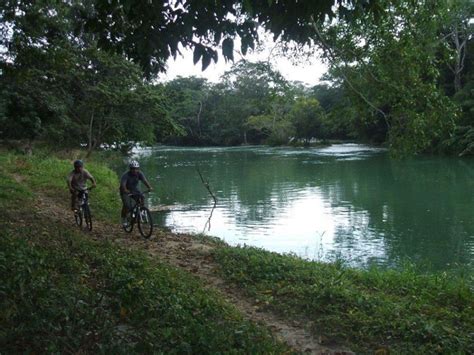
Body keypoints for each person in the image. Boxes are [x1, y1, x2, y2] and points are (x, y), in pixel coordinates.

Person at [120, 160, 152, 227]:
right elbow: (123, 185)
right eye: (133, 169)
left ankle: (142, 211)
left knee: (142, 196)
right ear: (130, 169)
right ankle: (124, 218)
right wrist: (126, 190)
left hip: (134, 190)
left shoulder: (139, 173)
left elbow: (144, 181)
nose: (134, 170)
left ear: (138, 169)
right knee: (127, 206)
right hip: (125, 191)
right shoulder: (126, 175)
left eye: (136, 169)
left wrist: (149, 187)